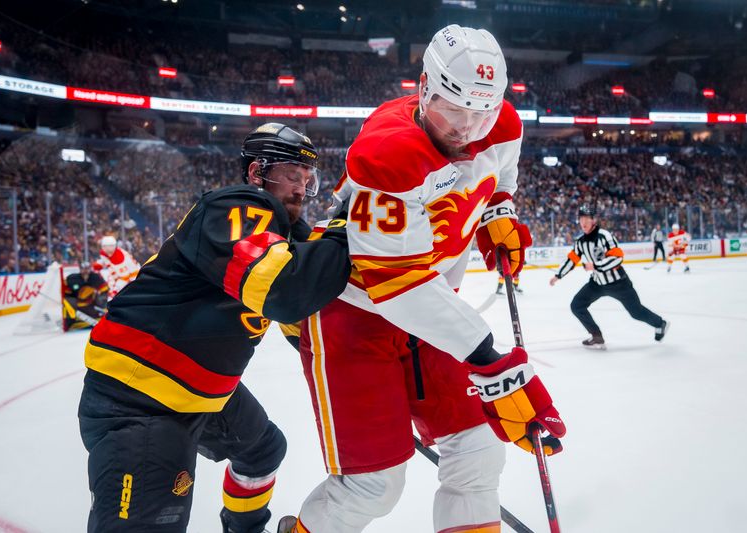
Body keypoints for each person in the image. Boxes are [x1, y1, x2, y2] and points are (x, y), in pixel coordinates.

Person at [281, 25, 565, 533]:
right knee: (373, 485)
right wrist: (494, 365)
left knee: (479, 453)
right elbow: (398, 284)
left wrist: (497, 214)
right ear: (423, 88)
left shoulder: (500, 124)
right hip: (356, 313)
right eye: (453, 112)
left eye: (481, 114)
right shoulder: (387, 155)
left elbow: (499, 179)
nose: (466, 130)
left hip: (432, 312)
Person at [77, 123, 351, 533]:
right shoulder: (237, 205)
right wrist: (347, 229)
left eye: (307, 181)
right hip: (141, 398)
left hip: (199, 392)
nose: (301, 190)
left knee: (263, 451)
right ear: (259, 172)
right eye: (293, 176)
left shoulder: (285, 234)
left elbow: (301, 320)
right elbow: (282, 291)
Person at [549, 204, 669, 349]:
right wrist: (558, 275)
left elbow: (617, 258)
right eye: (581, 219)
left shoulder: (604, 236)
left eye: (587, 218)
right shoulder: (580, 242)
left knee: (636, 312)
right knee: (577, 305)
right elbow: (571, 260)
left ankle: (660, 323)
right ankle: (596, 336)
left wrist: (595, 265)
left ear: (594, 220)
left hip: (619, 283)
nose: (583, 222)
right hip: (597, 284)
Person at [62, 261, 109, 331]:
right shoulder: (72, 279)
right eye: (83, 269)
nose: (85, 271)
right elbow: (66, 293)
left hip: (92, 305)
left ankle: (98, 316)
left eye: (87, 268)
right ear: (80, 269)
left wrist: (102, 303)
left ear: (90, 269)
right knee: (67, 302)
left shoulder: (95, 277)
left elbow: (105, 290)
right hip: (78, 305)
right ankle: (71, 321)